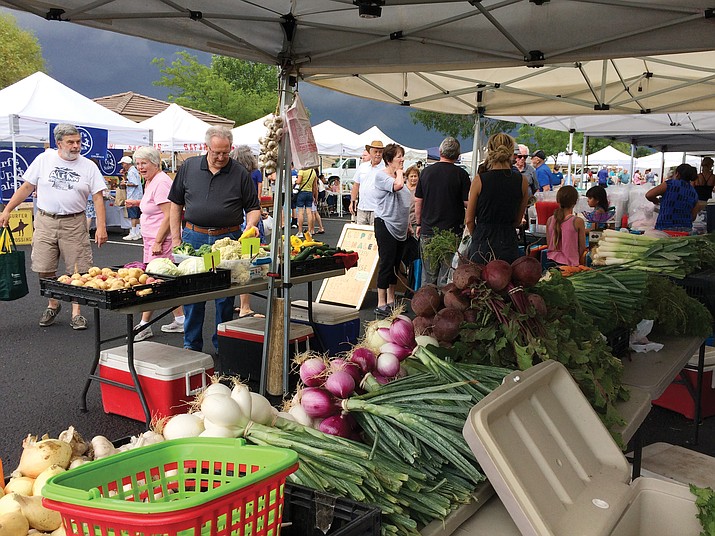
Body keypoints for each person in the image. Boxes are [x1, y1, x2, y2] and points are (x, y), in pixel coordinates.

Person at [0, 123, 108, 330]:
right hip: (45, 221)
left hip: (74, 222)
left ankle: (76, 312)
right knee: (44, 267)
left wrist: (101, 227)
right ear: (59, 143)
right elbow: (26, 187)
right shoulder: (43, 159)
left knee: (79, 269)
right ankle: (53, 304)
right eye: (71, 142)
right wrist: (7, 210)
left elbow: (97, 197)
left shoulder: (88, 166)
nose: (76, 146)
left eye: (78, 142)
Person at [169, 126, 261, 352]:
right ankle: (191, 345)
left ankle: (223, 345)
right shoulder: (189, 167)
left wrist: (250, 224)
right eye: (216, 152)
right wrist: (175, 238)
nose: (221, 157)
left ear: (231, 148)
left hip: (227, 239)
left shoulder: (239, 172)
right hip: (194, 237)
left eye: (225, 152)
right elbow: (175, 204)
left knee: (225, 297)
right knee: (193, 294)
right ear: (206, 147)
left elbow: (253, 207)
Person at [125, 146, 184, 341]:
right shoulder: (152, 180)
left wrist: (158, 241)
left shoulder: (161, 182)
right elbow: (155, 205)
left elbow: (170, 215)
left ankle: (144, 325)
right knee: (164, 281)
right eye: (138, 164)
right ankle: (181, 319)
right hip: (152, 239)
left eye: (144, 163)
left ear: (156, 163)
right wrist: (137, 203)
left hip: (161, 241)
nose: (140, 167)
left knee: (153, 280)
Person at [465, 133, 529, 264]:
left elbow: (469, 220)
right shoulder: (522, 181)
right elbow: (518, 220)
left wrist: (477, 236)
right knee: (510, 283)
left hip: (482, 245)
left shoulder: (479, 180)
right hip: (508, 243)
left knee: (478, 283)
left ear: (490, 151)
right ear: (511, 152)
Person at [414, 137, 471, 285]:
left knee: (428, 275)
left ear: (440, 152)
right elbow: (467, 203)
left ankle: (426, 305)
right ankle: (444, 307)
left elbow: (418, 201)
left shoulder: (426, 172)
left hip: (428, 230)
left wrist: (419, 223)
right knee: (446, 275)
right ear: (458, 155)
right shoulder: (462, 175)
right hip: (452, 232)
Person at [372, 144, 412, 317]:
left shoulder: (398, 177)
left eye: (403, 156)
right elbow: (397, 186)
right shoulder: (382, 176)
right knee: (386, 263)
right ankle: (381, 303)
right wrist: (400, 172)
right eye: (398, 157)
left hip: (401, 227)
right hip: (385, 224)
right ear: (389, 160)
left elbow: (405, 203)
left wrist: (409, 224)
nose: (402, 160)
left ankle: (391, 299)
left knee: (396, 264)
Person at [229, 145, 267, 319]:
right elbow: (257, 196)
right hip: (250, 218)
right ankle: (245, 305)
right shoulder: (255, 173)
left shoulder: (231, 174)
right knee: (248, 260)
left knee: (231, 260)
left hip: (235, 218)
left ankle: (234, 302)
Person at [646, 163, 699, 232]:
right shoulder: (694, 192)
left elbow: (649, 195)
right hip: (685, 230)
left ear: (677, 174)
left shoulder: (670, 184)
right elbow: (693, 217)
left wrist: (656, 201)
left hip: (665, 227)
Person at [546, 186, 586, 267]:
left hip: (550, 261)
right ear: (575, 202)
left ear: (558, 200)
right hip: (570, 265)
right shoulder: (578, 221)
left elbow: (548, 243)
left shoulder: (550, 220)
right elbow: (582, 247)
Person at [350, 140, 385, 225]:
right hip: (362, 207)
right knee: (361, 234)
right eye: (375, 151)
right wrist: (352, 202)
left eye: (380, 152)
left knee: (375, 235)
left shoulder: (385, 168)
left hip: (377, 209)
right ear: (370, 152)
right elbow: (356, 185)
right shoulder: (362, 166)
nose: (378, 154)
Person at [120, 155, 143, 241]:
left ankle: (133, 233)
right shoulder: (133, 171)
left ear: (126, 163)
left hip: (133, 196)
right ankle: (136, 232)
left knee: (133, 216)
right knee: (136, 216)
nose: (122, 165)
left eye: (123, 164)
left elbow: (134, 183)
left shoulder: (132, 172)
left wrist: (125, 183)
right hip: (136, 196)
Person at [295, 167, 318, 238]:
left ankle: (300, 231)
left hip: (302, 192)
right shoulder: (313, 171)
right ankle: (309, 231)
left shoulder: (302, 171)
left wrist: (295, 181)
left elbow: (299, 181)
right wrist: (315, 196)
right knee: (309, 212)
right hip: (310, 193)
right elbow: (314, 186)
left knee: (300, 212)